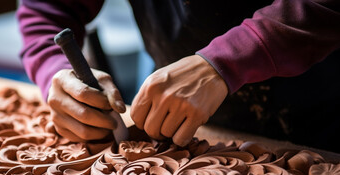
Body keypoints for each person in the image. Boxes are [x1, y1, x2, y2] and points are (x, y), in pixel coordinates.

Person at [17, 0, 340, 152]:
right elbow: (46, 9)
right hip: (169, 81)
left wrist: (227, 61)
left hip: (319, 99)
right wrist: (54, 69)